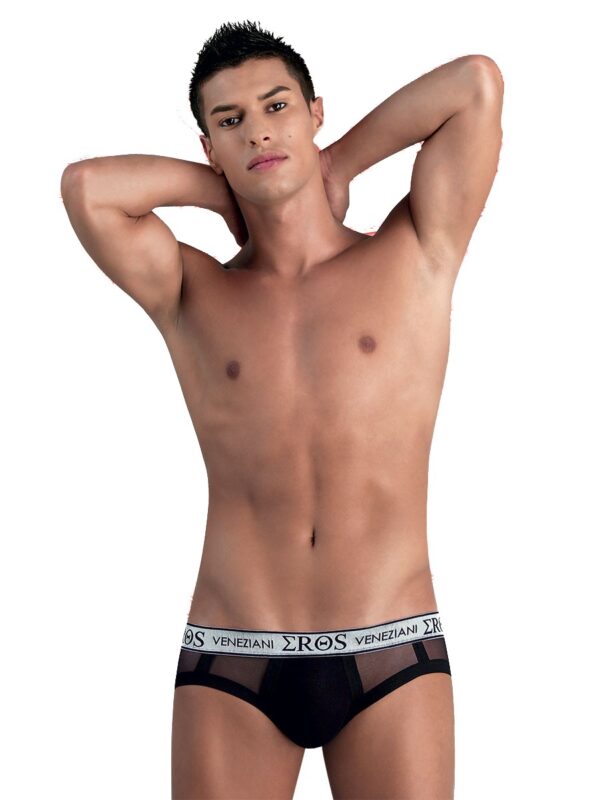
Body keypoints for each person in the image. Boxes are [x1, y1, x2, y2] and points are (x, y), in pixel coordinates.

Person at [60, 19, 503, 800]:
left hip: (392, 642)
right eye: (231, 122)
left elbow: (475, 84)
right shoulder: (194, 291)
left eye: (276, 108)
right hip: (233, 652)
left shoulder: (415, 252)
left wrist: (337, 165)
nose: (259, 132)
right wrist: (228, 191)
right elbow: (86, 188)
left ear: (314, 112)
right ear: (208, 146)